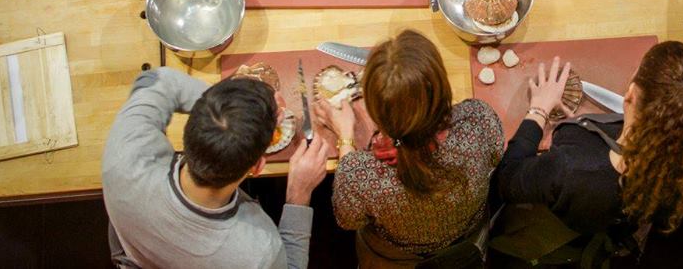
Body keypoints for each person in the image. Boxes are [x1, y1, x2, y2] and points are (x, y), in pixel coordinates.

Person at [494, 45, 683, 262]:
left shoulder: (570, 168)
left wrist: (538, 111)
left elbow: (507, 180)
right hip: (628, 226)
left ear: (630, 95)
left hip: (581, 222)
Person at [102, 67, 328, 269]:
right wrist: (299, 195)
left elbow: (156, 79)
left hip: (135, 248)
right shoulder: (257, 252)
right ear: (257, 167)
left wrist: (230, 109)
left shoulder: (125, 151)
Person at [314, 30, 503, 267]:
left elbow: (347, 219)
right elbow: (497, 155)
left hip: (395, 259)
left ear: (375, 111)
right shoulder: (478, 120)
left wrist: (346, 136)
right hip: (470, 244)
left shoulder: (360, 174)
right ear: (442, 85)